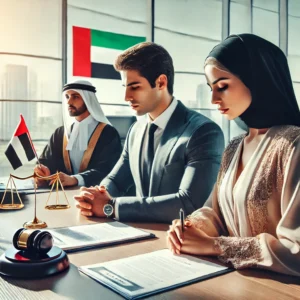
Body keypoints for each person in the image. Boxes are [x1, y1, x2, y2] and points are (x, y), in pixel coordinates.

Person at [166, 34, 300, 276]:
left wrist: (213, 245)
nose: (214, 99)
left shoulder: (294, 145)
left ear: (257, 80)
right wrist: (190, 227)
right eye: (211, 88)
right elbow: (215, 212)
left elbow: (296, 251)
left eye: (222, 86)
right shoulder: (234, 146)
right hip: (232, 281)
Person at [74, 42, 225, 223]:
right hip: (137, 235)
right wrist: (95, 197)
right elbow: (116, 180)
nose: (126, 97)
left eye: (135, 86)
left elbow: (189, 204)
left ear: (161, 82)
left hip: (181, 242)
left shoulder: (203, 132)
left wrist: (111, 207)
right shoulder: (135, 131)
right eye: (125, 87)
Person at [34, 80, 122, 187]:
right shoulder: (60, 133)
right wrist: (43, 173)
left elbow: (109, 169)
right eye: (67, 97)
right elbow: (47, 161)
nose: (69, 102)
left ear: (88, 99)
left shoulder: (108, 133)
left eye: (75, 97)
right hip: (61, 196)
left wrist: (75, 179)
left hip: (95, 195)